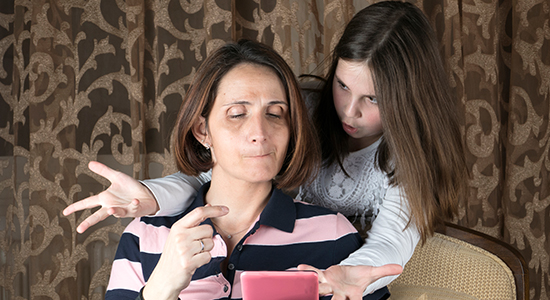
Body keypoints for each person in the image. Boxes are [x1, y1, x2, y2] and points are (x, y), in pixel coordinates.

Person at [65, 1, 468, 298]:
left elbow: (391, 245)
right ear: (203, 130)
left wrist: (347, 274)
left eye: (374, 99)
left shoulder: (385, 186)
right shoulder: (146, 237)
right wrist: (153, 199)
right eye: (343, 86)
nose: (349, 110)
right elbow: (209, 174)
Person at [104, 39, 399, 300]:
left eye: (274, 114)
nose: (260, 132)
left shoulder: (334, 236)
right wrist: (159, 291)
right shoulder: (145, 235)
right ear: (202, 131)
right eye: (237, 114)